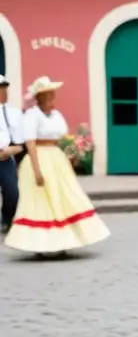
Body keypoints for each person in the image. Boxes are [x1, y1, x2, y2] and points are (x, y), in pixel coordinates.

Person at [4, 77, 110, 255]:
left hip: (55, 158)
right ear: (41, 97)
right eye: (50, 96)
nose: (53, 99)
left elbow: (61, 137)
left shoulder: (56, 115)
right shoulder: (32, 115)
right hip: (40, 156)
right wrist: (37, 170)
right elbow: (30, 143)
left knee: (62, 196)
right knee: (40, 201)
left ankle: (63, 240)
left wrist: (69, 156)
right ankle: (38, 245)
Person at [0, 75, 25, 235]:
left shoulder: (13, 113)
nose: (4, 92)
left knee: (12, 192)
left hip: (5, 159)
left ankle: (7, 219)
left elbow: (21, 145)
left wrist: (10, 151)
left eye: (5, 88)